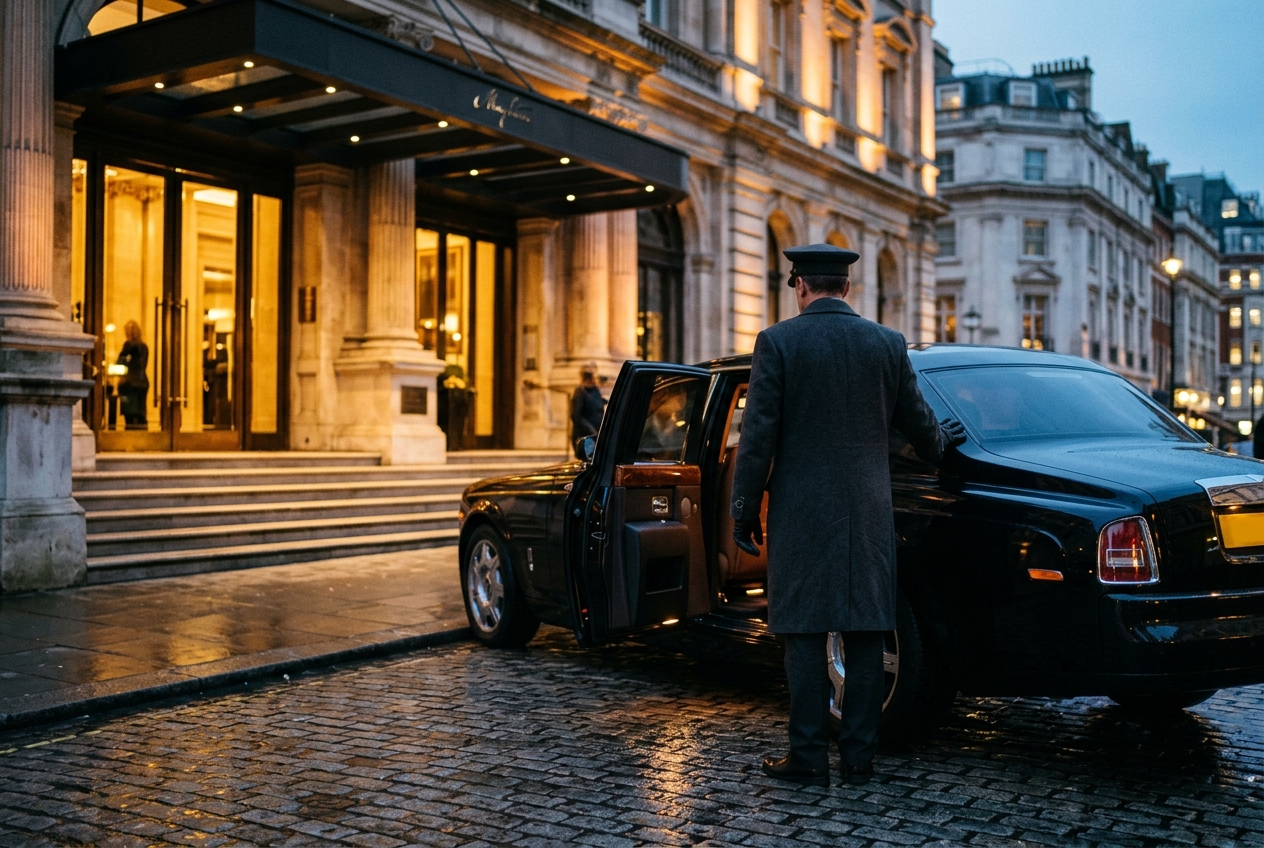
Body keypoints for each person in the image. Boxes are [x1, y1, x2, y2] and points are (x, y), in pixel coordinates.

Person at [729, 243, 966, 788]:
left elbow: (757, 438)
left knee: (805, 636)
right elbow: (922, 429)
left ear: (800, 286)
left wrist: (743, 510)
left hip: (802, 512)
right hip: (868, 509)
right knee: (864, 633)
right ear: (847, 288)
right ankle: (859, 758)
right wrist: (945, 445)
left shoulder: (778, 342)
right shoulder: (886, 343)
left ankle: (808, 757)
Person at [117, 320, 149, 429]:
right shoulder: (144, 347)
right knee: (141, 413)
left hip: (129, 384)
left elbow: (120, 362)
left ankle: (131, 438)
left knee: (129, 415)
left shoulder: (128, 345)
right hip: (142, 383)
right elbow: (142, 365)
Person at [570, 367, 606, 459]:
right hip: (586, 434)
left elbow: (598, 401)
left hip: (597, 430)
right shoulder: (580, 392)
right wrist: (591, 429)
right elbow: (576, 415)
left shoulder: (595, 390)